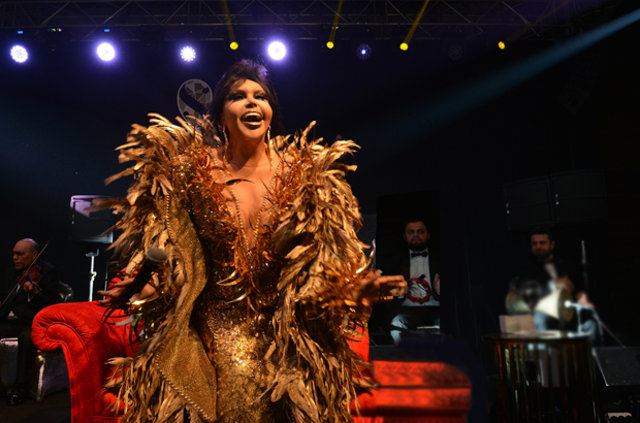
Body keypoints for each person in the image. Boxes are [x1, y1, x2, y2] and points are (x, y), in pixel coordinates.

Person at [98, 59, 406, 423]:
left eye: (260, 96)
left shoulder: (306, 176)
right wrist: (149, 285)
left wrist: (351, 290)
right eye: (237, 96)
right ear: (220, 115)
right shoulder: (189, 172)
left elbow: (322, 266)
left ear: (271, 112)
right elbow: (171, 247)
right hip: (210, 329)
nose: (251, 102)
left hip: (287, 332)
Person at [507, 228, 598, 339]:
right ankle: (548, 350)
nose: (538, 246)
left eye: (542, 243)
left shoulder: (565, 263)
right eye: (534, 244)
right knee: (540, 318)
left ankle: (588, 351)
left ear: (552, 245)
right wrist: (553, 285)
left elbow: (576, 287)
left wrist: (581, 295)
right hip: (544, 313)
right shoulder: (526, 268)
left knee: (591, 324)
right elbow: (525, 291)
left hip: (568, 312)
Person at [0, 238, 60, 405]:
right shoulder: (10, 272)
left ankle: (20, 388)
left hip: (30, 322)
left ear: (34, 255)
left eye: (19, 254)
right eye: (14, 254)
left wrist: (34, 293)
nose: (14, 257)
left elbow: (52, 304)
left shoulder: (47, 272)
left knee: (28, 339)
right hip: (9, 320)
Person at [381, 219, 440, 345]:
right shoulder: (395, 261)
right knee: (396, 323)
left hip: (436, 309)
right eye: (411, 232)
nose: (415, 235)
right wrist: (399, 292)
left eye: (420, 232)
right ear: (405, 236)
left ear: (428, 235)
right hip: (407, 310)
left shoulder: (440, 259)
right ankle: (405, 355)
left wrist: (440, 291)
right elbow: (387, 294)